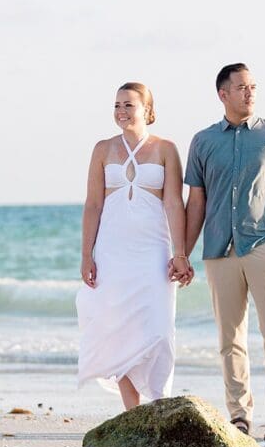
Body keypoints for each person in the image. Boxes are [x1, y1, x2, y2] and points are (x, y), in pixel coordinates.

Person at [179, 63, 265, 443]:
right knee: (229, 338)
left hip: (263, 246)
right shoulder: (202, 141)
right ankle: (239, 416)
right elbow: (195, 202)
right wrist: (183, 252)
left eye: (253, 86)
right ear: (223, 94)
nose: (249, 92)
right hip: (218, 250)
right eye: (241, 87)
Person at [76, 82, 192, 409]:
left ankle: (158, 400)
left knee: (156, 327)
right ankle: (131, 410)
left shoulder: (166, 149)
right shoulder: (102, 149)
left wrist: (179, 253)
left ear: (148, 110)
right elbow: (93, 204)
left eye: (129, 105)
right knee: (118, 326)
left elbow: (173, 203)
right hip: (111, 250)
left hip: (153, 249)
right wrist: (87, 255)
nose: (121, 111)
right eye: (117, 105)